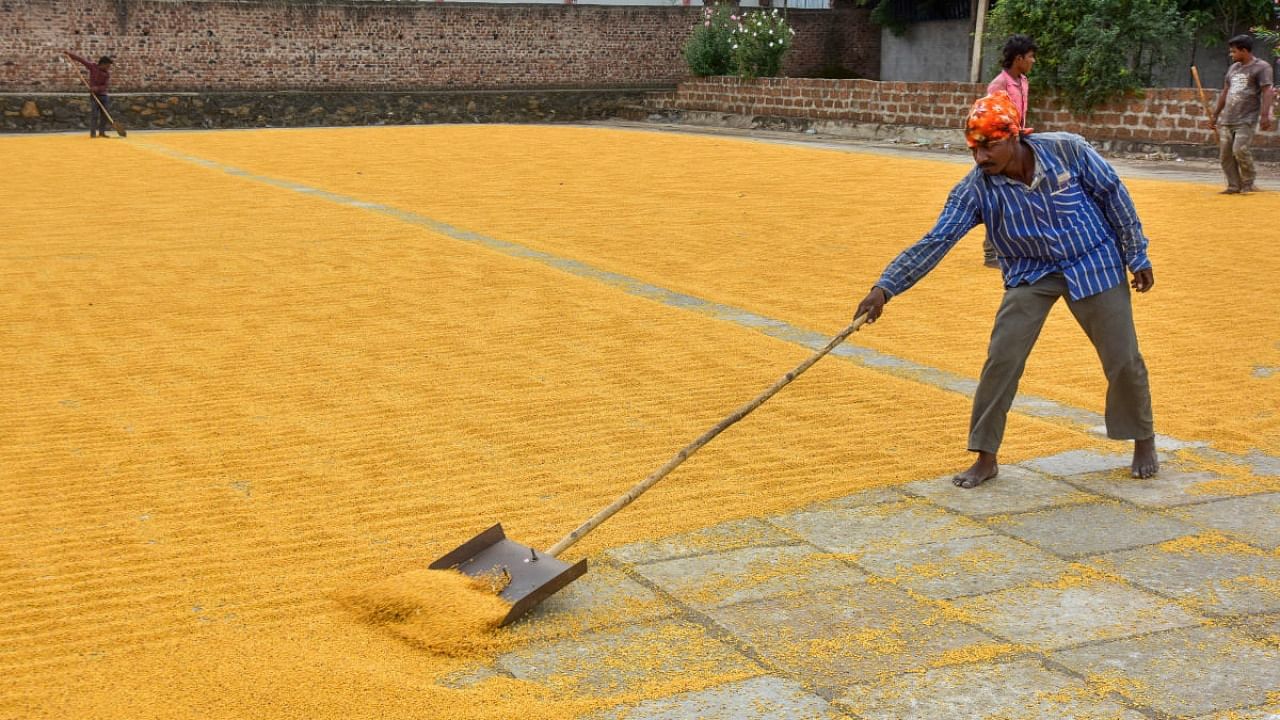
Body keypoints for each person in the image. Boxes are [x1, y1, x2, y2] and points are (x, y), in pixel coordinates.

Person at [854, 92, 1159, 488]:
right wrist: (886, 287)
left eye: (990, 146)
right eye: (974, 150)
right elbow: (937, 240)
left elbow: (1115, 195)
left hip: (1093, 260)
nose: (981, 158)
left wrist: (1137, 255)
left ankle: (1143, 438)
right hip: (1030, 272)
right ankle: (985, 455)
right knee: (1002, 358)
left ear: (1015, 135)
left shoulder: (1068, 150)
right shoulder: (975, 190)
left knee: (1122, 357)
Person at [981, 34, 1038, 267]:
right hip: (1001, 147)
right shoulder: (999, 84)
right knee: (999, 197)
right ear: (1018, 58)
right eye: (1031, 57)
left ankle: (1013, 248)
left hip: (1018, 145)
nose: (1033, 61)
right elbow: (991, 117)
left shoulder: (1023, 82)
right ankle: (990, 252)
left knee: (1022, 195)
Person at [1208, 35, 1273, 194]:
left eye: (1234, 51)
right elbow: (1225, 92)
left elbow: (1267, 91)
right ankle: (1233, 185)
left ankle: (1248, 183)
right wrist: (1215, 115)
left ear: (1244, 50)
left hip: (1246, 118)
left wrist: (1265, 115)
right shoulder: (1233, 68)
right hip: (1228, 118)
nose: (1231, 55)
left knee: (1240, 150)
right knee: (1225, 155)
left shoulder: (1262, 67)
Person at [63, 51, 114, 138]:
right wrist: (70, 55)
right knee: (94, 115)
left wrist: (96, 88)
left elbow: (105, 86)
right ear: (102, 64)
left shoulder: (106, 74)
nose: (108, 68)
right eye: (108, 66)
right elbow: (81, 60)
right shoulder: (92, 67)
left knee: (105, 115)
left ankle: (102, 132)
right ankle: (93, 134)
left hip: (104, 96)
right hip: (94, 97)